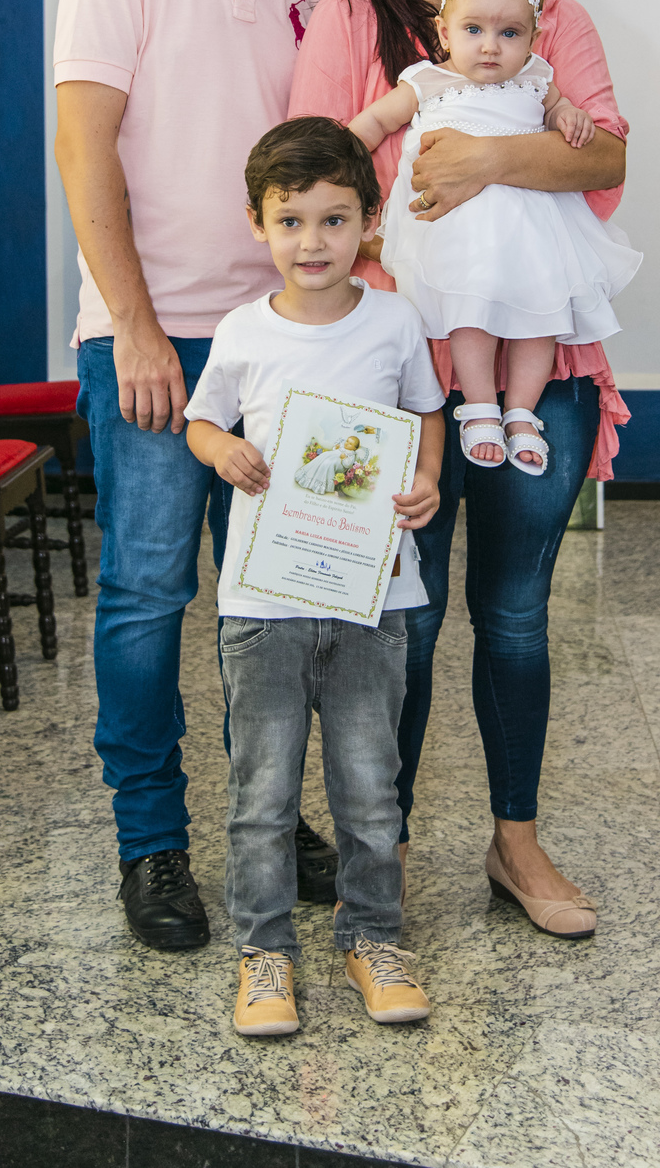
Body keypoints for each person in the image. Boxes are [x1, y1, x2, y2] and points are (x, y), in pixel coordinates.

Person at [289, 0, 630, 938]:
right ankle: (379, 843)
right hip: (395, 369)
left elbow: (606, 153)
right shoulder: (351, 24)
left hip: (542, 357)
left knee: (516, 614)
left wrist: (484, 158)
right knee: (408, 616)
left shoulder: (550, 15)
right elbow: (314, 167)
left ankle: (515, 841)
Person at [53, 0, 345, 953]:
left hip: (276, 339)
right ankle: (152, 840)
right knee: (146, 594)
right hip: (155, 333)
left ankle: (269, 814)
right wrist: (133, 326)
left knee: (270, 602)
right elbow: (84, 143)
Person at [184, 118, 445, 1035]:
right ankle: (265, 955)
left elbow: (425, 412)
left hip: (376, 599)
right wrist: (223, 452)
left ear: (369, 222)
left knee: (372, 791)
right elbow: (200, 421)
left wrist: (426, 478)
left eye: (334, 220)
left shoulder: (396, 321)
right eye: (290, 221)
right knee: (261, 796)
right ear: (258, 224)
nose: (312, 242)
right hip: (264, 606)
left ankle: (373, 938)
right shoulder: (241, 331)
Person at [350, 0, 641, 472]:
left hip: (531, 227)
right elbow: (371, 125)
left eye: (509, 33)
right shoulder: (426, 80)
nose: (490, 45)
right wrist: (339, 161)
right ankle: (481, 404)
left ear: (532, 39)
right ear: (444, 32)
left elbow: (562, 112)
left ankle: (522, 411)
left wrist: (569, 115)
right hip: (457, 232)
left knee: (542, 315)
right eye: (473, 30)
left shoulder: (537, 79)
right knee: (469, 312)